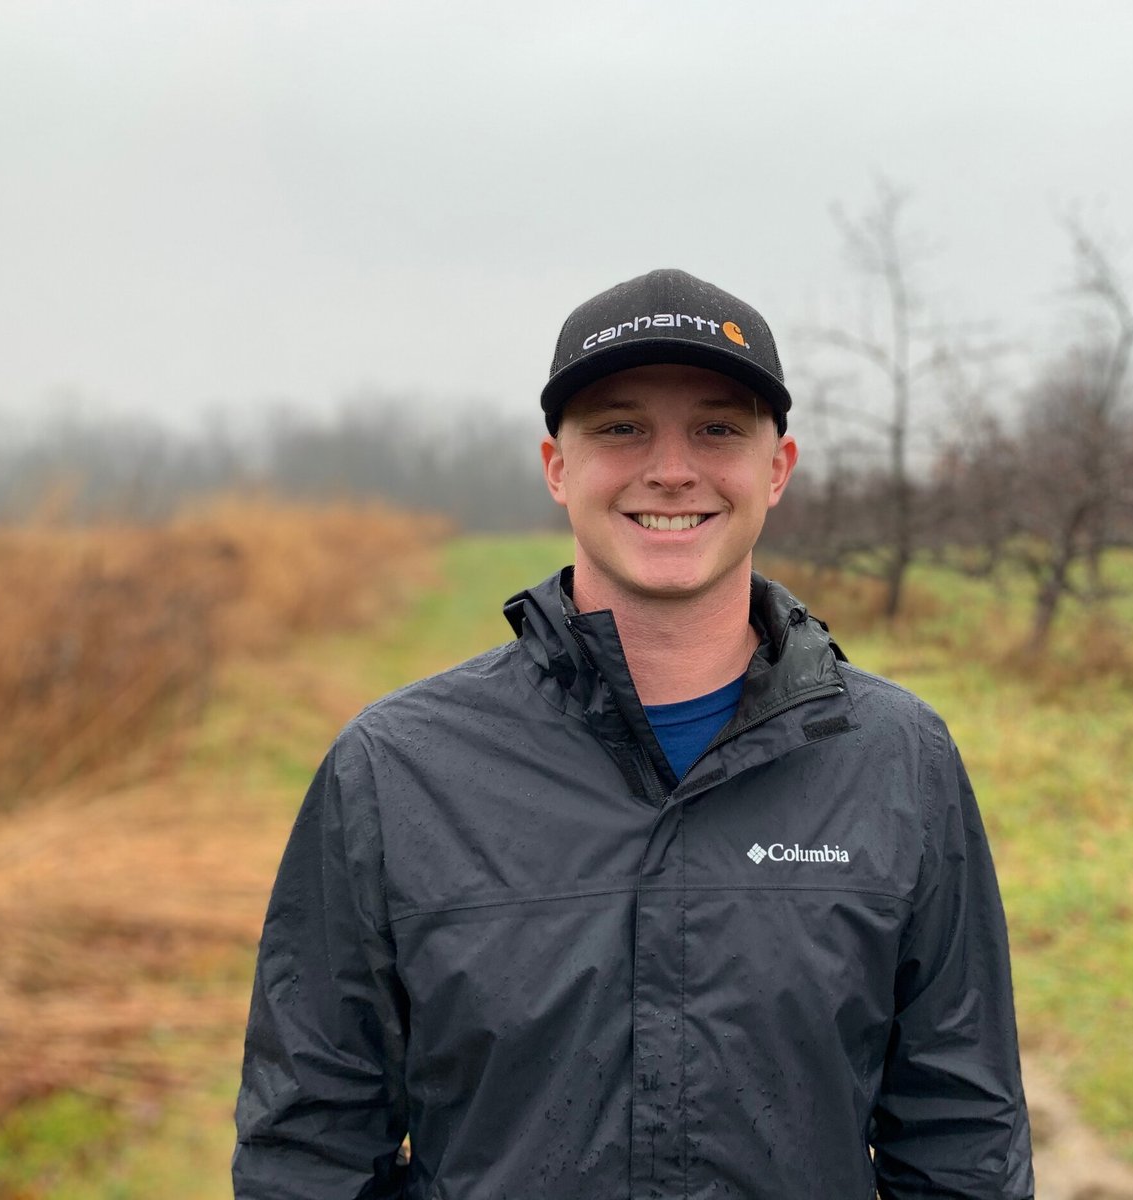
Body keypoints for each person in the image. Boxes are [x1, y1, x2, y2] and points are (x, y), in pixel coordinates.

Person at [232, 268, 1034, 1199]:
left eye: (718, 428)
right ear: (556, 467)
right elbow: (309, 1146)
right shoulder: (395, 770)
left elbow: (961, 1133)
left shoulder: (897, 757)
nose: (671, 469)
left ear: (776, 469)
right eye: (620, 427)